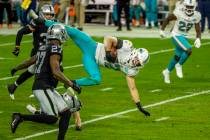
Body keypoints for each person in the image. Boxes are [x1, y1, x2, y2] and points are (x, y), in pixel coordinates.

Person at [29, 12, 151, 116]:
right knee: (72, 31)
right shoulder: (126, 47)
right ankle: (42, 21)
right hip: (92, 47)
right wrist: (108, 52)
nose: (135, 63)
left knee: (96, 79)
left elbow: (133, 88)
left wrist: (139, 105)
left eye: (138, 63)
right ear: (135, 53)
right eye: (137, 60)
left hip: (92, 60)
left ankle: (72, 82)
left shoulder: (132, 70)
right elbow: (108, 38)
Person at [10, 24, 81, 140]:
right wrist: (72, 84)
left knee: (66, 113)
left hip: (46, 87)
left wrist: (17, 68)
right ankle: (20, 117)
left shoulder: (43, 47)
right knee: (52, 118)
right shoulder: (56, 48)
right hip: (43, 87)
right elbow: (56, 72)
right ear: (60, 35)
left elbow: (30, 61)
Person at [7, 4, 55, 100]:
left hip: (49, 52)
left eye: (51, 14)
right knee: (46, 71)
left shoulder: (54, 24)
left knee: (33, 71)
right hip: (38, 52)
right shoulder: (36, 23)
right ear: (42, 14)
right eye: (47, 14)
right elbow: (20, 32)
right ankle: (42, 90)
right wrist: (17, 47)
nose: (49, 16)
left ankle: (14, 85)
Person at [159, 0, 201, 84]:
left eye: (191, 7)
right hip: (176, 34)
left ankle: (166, 71)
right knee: (189, 50)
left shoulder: (197, 15)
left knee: (177, 57)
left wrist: (198, 38)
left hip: (184, 36)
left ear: (194, 7)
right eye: (187, 6)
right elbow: (167, 19)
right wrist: (162, 30)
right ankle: (179, 65)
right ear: (184, 6)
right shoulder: (179, 12)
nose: (189, 8)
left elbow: (198, 29)